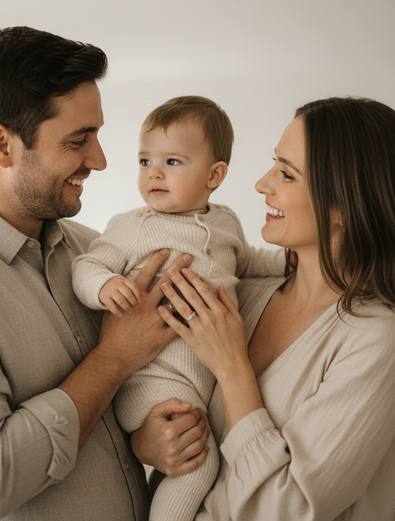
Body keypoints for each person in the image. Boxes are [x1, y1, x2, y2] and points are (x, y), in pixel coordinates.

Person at [0, 26, 207, 521]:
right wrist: (114, 357)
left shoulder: (94, 251)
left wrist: (141, 441)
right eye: (78, 140)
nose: (100, 160)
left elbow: (99, 418)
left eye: (98, 134)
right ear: (1, 145)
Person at [135, 96, 395, 520]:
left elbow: (289, 510)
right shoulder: (241, 294)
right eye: (275, 164)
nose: (261, 184)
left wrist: (233, 368)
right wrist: (147, 443)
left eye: (286, 173)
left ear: (343, 204)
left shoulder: (382, 337)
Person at [72, 96, 286, 521]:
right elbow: (86, 264)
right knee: (199, 461)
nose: (153, 172)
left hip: (197, 382)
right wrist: (105, 286)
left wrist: (287, 261)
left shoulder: (226, 223)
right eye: (144, 160)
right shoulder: (134, 227)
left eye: (172, 161)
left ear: (214, 174)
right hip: (150, 378)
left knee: (195, 460)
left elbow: (248, 262)